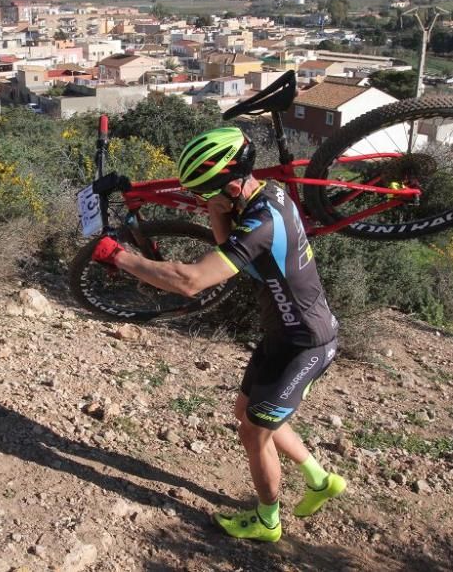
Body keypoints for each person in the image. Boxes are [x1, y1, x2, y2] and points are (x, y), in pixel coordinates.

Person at [90, 126, 345, 542]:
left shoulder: (262, 223)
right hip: (283, 334)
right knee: (247, 413)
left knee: (254, 432)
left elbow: (190, 282)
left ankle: (267, 522)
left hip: (306, 344)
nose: (200, 199)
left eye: (205, 191)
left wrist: (119, 257)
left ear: (229, 183)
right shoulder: (266, 193)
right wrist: (216, 210)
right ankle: (321, 481)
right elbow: (240, 257)